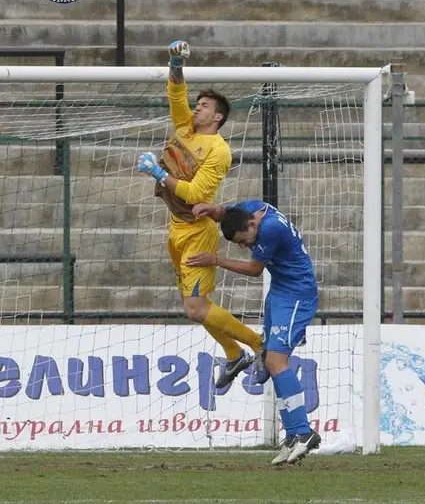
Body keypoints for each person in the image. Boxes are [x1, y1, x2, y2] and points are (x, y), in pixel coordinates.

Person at [136, 40, 264, 389]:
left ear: (217, 117)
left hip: (197, 230)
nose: (196, 109)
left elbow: (195, 195)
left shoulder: (219, 151)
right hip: (176, 226)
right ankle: (234, 354)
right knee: (195, 306)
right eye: (198, 104)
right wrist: (175, 65)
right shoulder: (185, 128)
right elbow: (176, 96)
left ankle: (258, 344)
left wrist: (158, 174)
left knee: (195, 308)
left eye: (204, 106)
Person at [187, 199, 322, 465]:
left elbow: (254, 269)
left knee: (276, 361)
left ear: (252, 224)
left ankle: (303, 432)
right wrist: (210, 209)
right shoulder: (254, 209)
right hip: (280, 292)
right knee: (272, 363)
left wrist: (215, 259)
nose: (243, 246)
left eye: (243, 241)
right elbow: (226, 212)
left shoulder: (270, 228)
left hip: (297, 294)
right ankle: (293, 434)